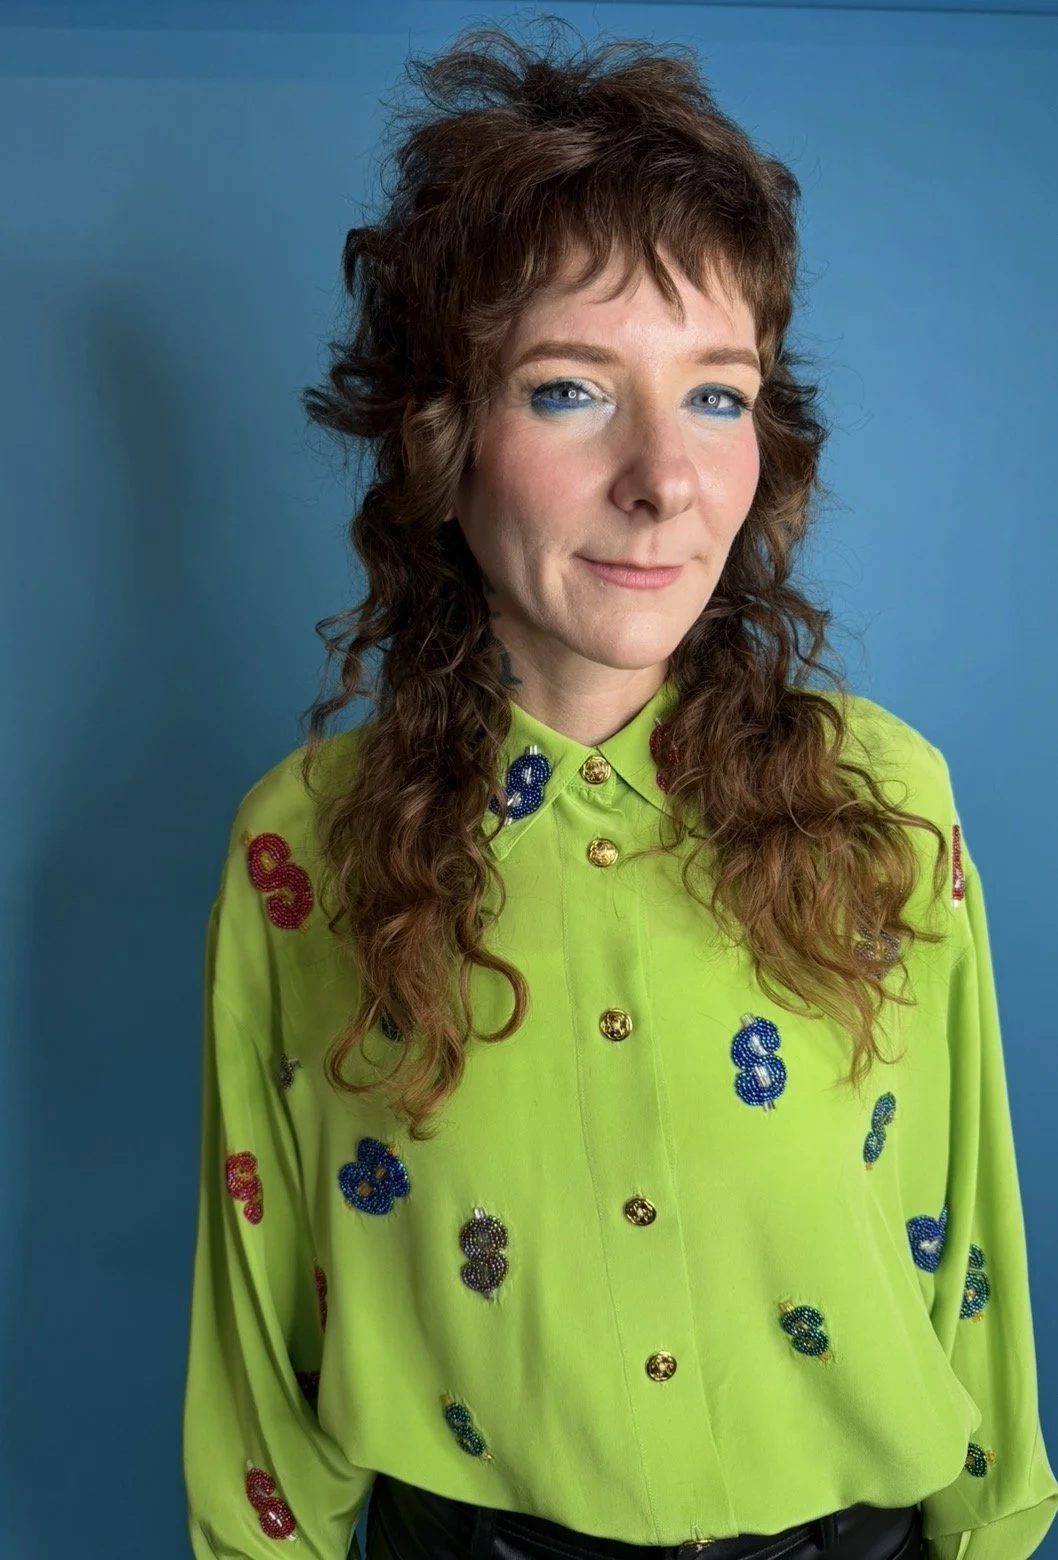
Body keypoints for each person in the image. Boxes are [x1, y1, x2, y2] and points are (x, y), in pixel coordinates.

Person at [180, 16, 1058, 1560]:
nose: (665, 477)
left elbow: (964, 1248)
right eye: (573, 389)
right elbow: (264, 1330)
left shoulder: (885, 800)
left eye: (716, 393)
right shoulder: (298, 851)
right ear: (440, 439)